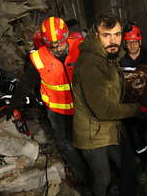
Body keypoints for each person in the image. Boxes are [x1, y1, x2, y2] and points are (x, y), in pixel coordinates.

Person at [5, 17, 90, 193]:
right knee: (68, 146)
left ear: (67, 37)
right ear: (45, 42)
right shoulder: (39, 58)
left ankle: (101, 176)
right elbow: (26, 84)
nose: (57, 48)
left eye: (60, 43)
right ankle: (84, 179)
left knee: (90, 144)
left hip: (84, 109)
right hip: (58, 112)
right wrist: (13, 104)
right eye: (52, 45)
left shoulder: (82, 47)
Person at [72, 13, 139, 196]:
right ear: (96, 35)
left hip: (111, 128)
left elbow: (114, 91)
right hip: (93, 136)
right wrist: (137, 110)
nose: (113, 40)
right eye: (106, 35)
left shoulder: (108, 57)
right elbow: (103, 109)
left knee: (127, 168)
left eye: (117, 34)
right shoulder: (90, 65)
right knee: (103, 180)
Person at [120, 25, 147, 170]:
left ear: (140, 41)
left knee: (140, 131)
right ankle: (145, 161)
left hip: (146, 102)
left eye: (134, 42)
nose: (131, 45)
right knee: (134, 133)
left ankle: (142, 152)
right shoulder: (121, 59)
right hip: (128, 103)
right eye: (128, 42)